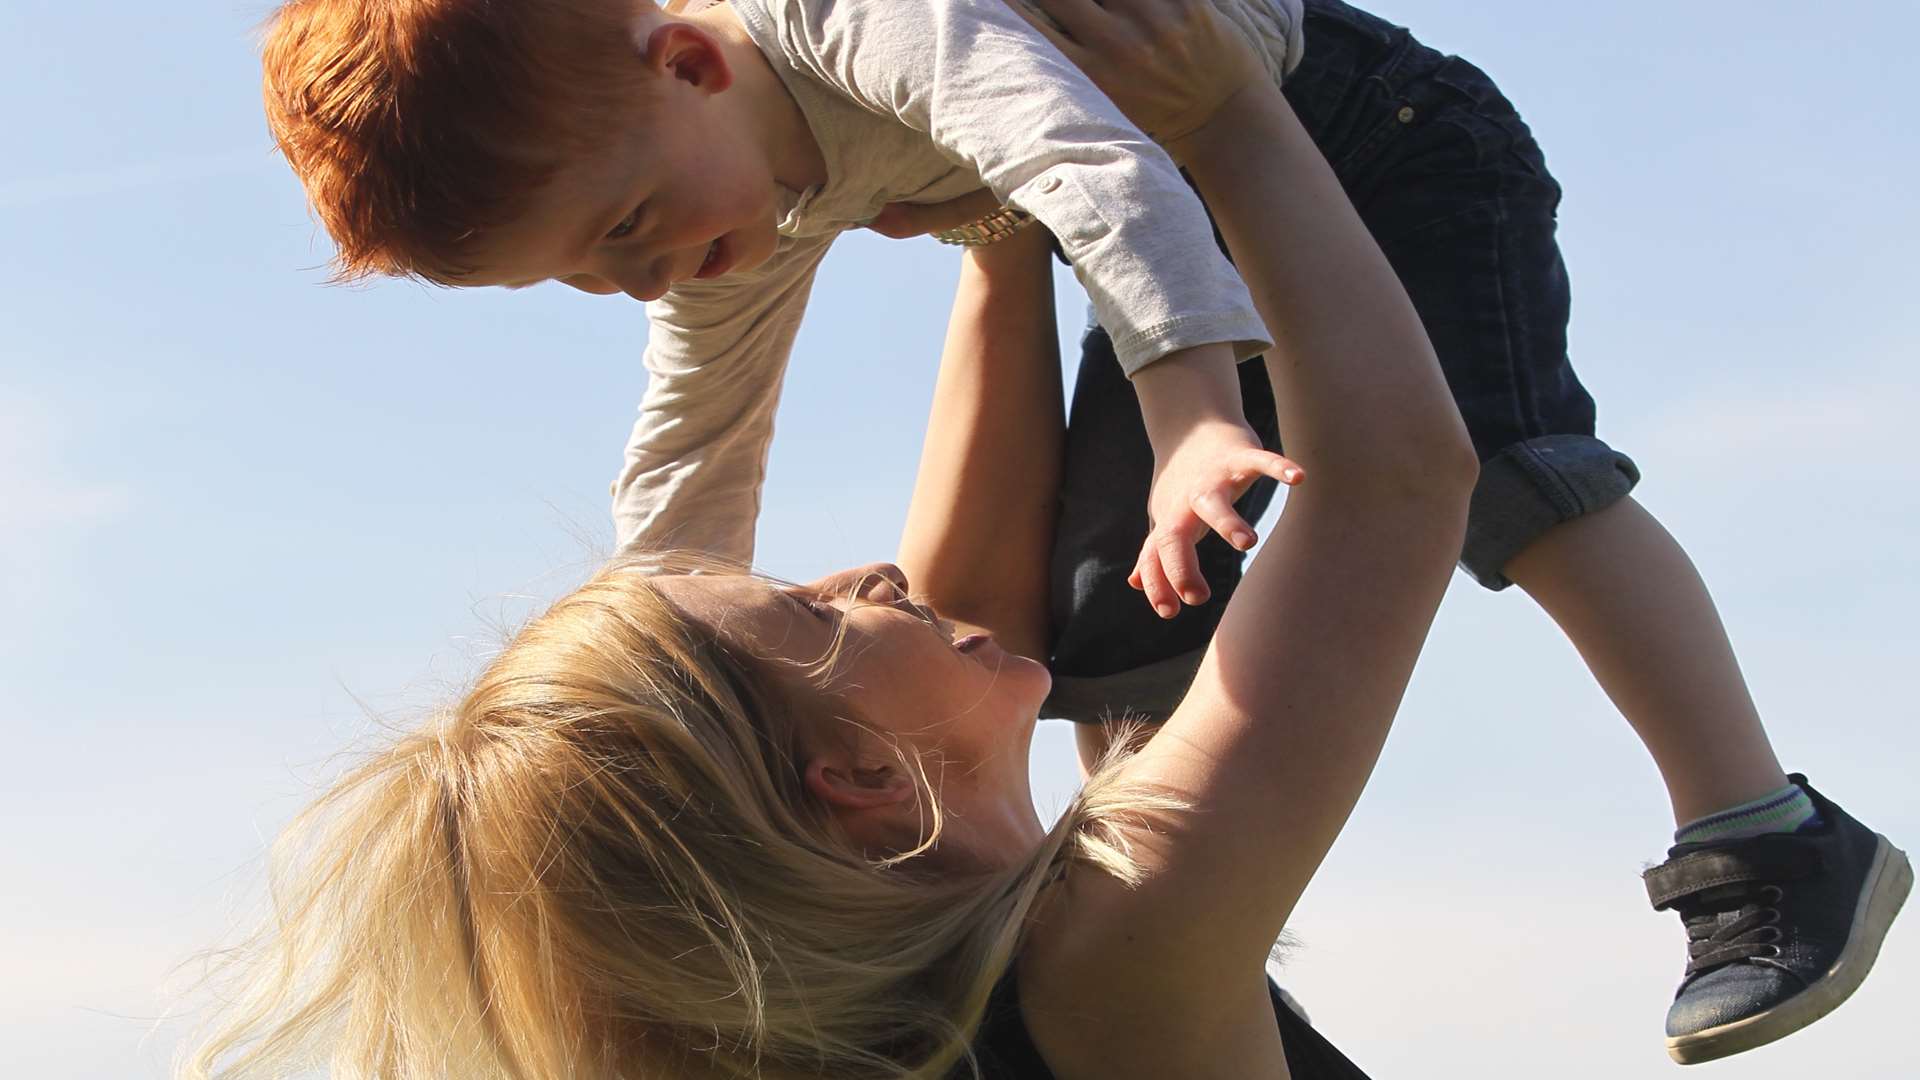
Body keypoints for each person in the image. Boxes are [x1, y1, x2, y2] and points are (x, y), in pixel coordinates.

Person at [184, 4, 1478, 1076]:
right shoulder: (1112, 952)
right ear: (856, 784)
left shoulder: (919, 1021)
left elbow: (966, 607)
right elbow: (1393, 488)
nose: (869, 574)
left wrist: (992, 220)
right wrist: (1225, 117)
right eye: (809, 614)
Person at [973, 0, 1908, 1063]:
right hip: (1174, 218)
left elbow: (1104, 158)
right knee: (1117, 595)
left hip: (1380, 149)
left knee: (1509, 469)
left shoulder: (874, 37)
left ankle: (1769, 835)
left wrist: (1191, 409)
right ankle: (1188, 926)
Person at [258, 0, 1313, 611]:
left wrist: (1193, 420)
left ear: (691, 63)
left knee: (1472, 464)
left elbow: (1074, 158)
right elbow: (695, 442)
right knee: (1121, 626)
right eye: (579, 274)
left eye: (624, 227)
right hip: (1173, 233)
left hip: (1325, 119)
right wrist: (665, 659)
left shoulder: (842, 20)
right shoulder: (720, 207)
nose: (637, 282)